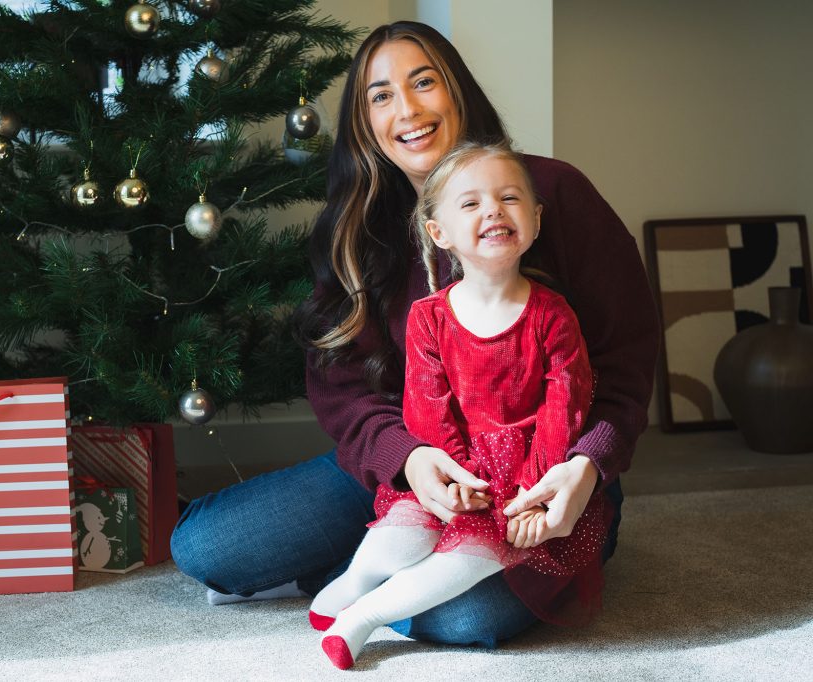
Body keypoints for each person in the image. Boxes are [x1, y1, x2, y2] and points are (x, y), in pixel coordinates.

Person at [171, 21, 659, 650]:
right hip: (412, 464)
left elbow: (627, 357)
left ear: (456, 91)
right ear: (364, 123)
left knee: (467, 621)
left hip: (542, 480)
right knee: (207, 547)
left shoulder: (548, 193)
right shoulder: (354, 228)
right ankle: (396, 556)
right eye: (380, 95)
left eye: (423, 81)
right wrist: (406, 458)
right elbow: (342, 387)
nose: (407, 109)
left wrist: (587, 463)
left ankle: (375, 573)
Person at [311, 141, 611, 669]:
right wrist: (456, 478)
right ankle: (354, 581)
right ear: (439, 233)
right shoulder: (430, 317)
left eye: (510, 197)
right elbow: (427, 408)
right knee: (401, 534)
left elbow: (565, 408)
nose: (493, 209)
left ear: (536, 220)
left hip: (522, 484)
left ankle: (362, 619)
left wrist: (531, 493)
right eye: (470, 203)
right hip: (454, 468)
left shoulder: (553, 316)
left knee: (470, 562)